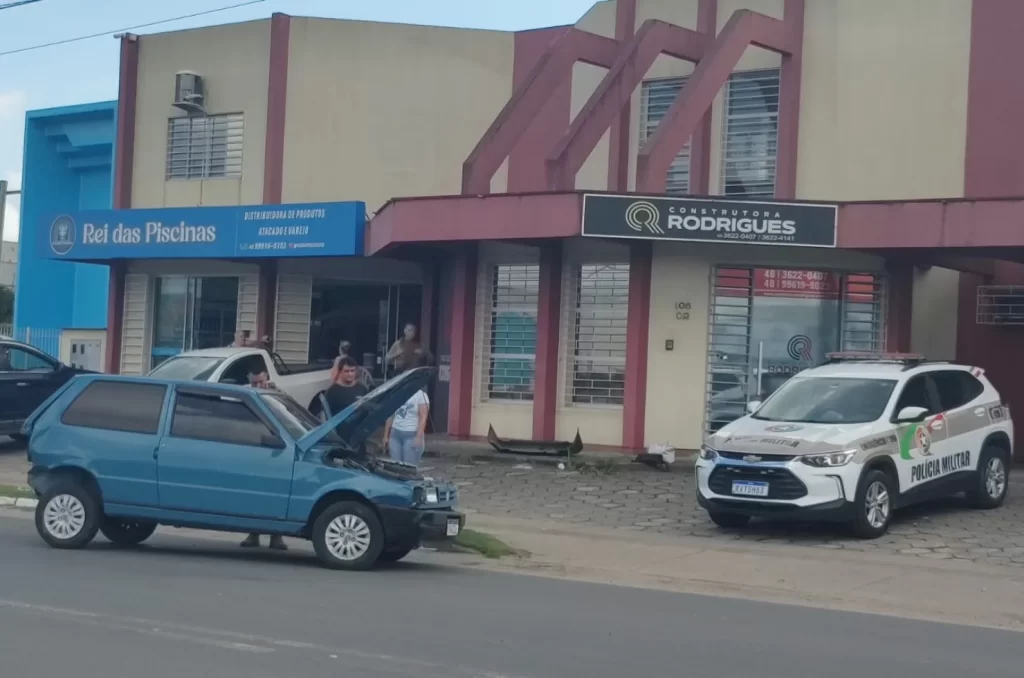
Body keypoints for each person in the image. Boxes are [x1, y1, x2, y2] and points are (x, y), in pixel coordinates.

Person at [240, 369, 287, 551]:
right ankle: (253, 534)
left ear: (267, 378)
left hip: (275, 450)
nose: (258, 386)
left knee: (275, 495)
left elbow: (287, 413)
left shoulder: (274, 394)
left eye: (261, 382)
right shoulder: (246, 395)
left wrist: (277, 393)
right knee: (256, 495)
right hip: (254, 449)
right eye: (254, 383)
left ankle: (277, 536)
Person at [382, 379, 430, 466]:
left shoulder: (420, 395)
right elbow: (390, 415)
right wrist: (386, 436)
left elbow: (423, 417)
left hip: (411, 434)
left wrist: (418, 437)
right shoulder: (397, 394)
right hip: (395, 433)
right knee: (395, 466)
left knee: (408, 468)